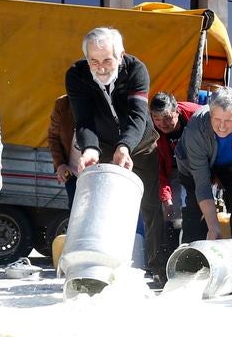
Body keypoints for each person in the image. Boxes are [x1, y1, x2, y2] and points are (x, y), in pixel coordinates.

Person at [66, 27, 163, 269]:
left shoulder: (136, 70)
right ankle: (106, 264)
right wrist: (90, 148)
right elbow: (84, 119)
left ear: (120, 56)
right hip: (105, 146)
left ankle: (157, 264)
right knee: (107, 205)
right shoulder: (76, 75)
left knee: (150, 205)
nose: (100, 67)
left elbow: (137, 116)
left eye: (107, 60)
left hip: (140, 145)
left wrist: (126, 146)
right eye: (93, 61)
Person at [175, 86, 232, 243]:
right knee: (195, 211)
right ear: (210, 114)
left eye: (228, 121)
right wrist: (213, 227)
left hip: (230, 165)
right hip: (193, 166)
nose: (222, 127)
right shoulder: (196, 128)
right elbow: (202, 184)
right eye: (217, 120)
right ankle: (192, 258)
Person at [149, 91, 201, 277]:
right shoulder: (155, 134)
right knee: (172, 215)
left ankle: (195, 260)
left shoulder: (196, 115)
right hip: (175, 169)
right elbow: (162, 170)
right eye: (157, 119)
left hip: (200, 166)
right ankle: (167, 266)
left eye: (167, 118)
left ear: (177, 112)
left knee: (199, 209)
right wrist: (167, 199)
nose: (162, 124)